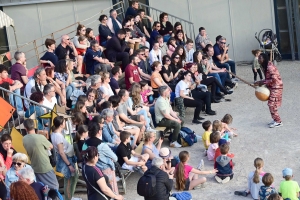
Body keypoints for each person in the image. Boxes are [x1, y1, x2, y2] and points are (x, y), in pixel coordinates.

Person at [82, 121, 119, 194]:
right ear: (99, 131)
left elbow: (84, 156)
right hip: (105, 170)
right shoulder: (102, 145)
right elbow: (115, 158)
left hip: (91, 169)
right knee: (109, 191)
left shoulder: (85, 144)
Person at [22, 119, 59, 190]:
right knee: (54, 186)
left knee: (42, 187)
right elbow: (51, 146)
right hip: (45, 166)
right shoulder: (40, 137)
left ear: (25, 128)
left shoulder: (24, 139)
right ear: (34, 126)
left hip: (35, 167)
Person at [51, 116, 80, 200]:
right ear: (61, 125)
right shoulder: (58, 136)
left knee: (73, 177)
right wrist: (69, 165)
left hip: (66, 157)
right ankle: (68, 198)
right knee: (68, 180)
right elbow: (61, 152)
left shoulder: (55, 133)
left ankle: (70, 196)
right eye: (64, 122)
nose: (65, 123)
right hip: (65, 159)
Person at [255, 53, 283, 128]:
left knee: (272, 104)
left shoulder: (270, 67)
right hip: (272, 87)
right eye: (258, 58)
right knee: (271, 104)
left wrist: (262, 82)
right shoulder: (265, 66)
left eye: (260, 58)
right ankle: (275, 119)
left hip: (276, 87)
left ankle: (278, 121)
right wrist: (260, 83)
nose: (258, 59)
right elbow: (268, 79)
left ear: (264, 59)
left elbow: (274, 79)